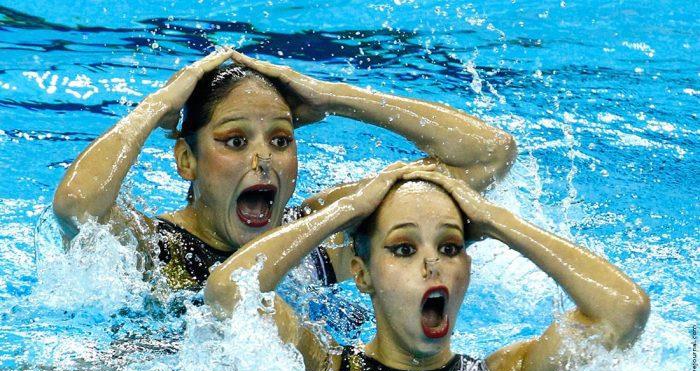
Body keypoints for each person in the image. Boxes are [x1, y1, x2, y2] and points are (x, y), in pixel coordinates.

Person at [204, 167, 650, 371]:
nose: (432, 263)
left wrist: (498, 222)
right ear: (362, 275)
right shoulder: (325, 370)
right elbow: (227, 291)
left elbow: (624, 311)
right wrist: (346, 211)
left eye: (450, 247)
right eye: (404, 249)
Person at [52, 47, 517, 291]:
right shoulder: (151, 249)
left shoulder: (318, 235)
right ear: (187, 160)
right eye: (235, 141)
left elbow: (489, 156)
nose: (263, 160)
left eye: (280, 140)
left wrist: (333, 96)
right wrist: (156, 107)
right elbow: (76, 209)